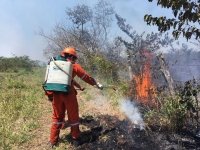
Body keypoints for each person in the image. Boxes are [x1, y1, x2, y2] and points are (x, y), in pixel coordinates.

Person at [45, 47, 98, 148]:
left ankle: (53, 141)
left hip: (56, 94)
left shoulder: (54, 64)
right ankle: (75, 139)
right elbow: (86, 77)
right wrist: (95, 83)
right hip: (69, 94)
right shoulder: (74, 66)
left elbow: (52, 80)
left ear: (63, 54)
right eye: (75, 58)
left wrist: (50, 95)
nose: (75, 60)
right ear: (72, 57)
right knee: (73, 116)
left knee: (56, 117)